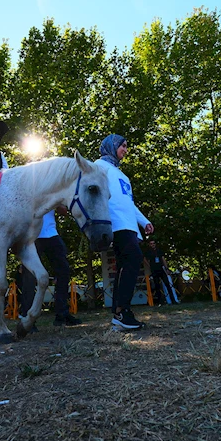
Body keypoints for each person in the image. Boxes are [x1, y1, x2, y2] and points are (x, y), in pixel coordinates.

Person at [95, 134, 153, 330]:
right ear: (111, 146)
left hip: (130, 226)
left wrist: (144, 222)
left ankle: (119, 314)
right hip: (116, 224)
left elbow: (129, 203)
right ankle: (122, 311)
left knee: (124, 266)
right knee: (133, 259)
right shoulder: (98, 167)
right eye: (123, 146)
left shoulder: (123, 176)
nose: (125, 150)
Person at [19, 209, 82, 327]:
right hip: (32, 234)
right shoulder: (27, 189)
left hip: (51, 233)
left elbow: (63, 210)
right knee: (30, 276)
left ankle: (62, 314)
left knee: (64, 271)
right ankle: (28, 316)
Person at [144, 240, 180, 305]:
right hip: (154, 270)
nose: (152, 245)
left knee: (168, 284)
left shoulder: (159, 251)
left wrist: (166, 268)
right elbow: (144, 259)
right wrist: (150, 266)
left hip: (161, 269)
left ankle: (173, 300)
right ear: (149, 244)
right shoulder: (148, 252)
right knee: (157, 286)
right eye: (151, 244)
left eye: (153, 243)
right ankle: (160, 302)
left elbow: (163, 259)